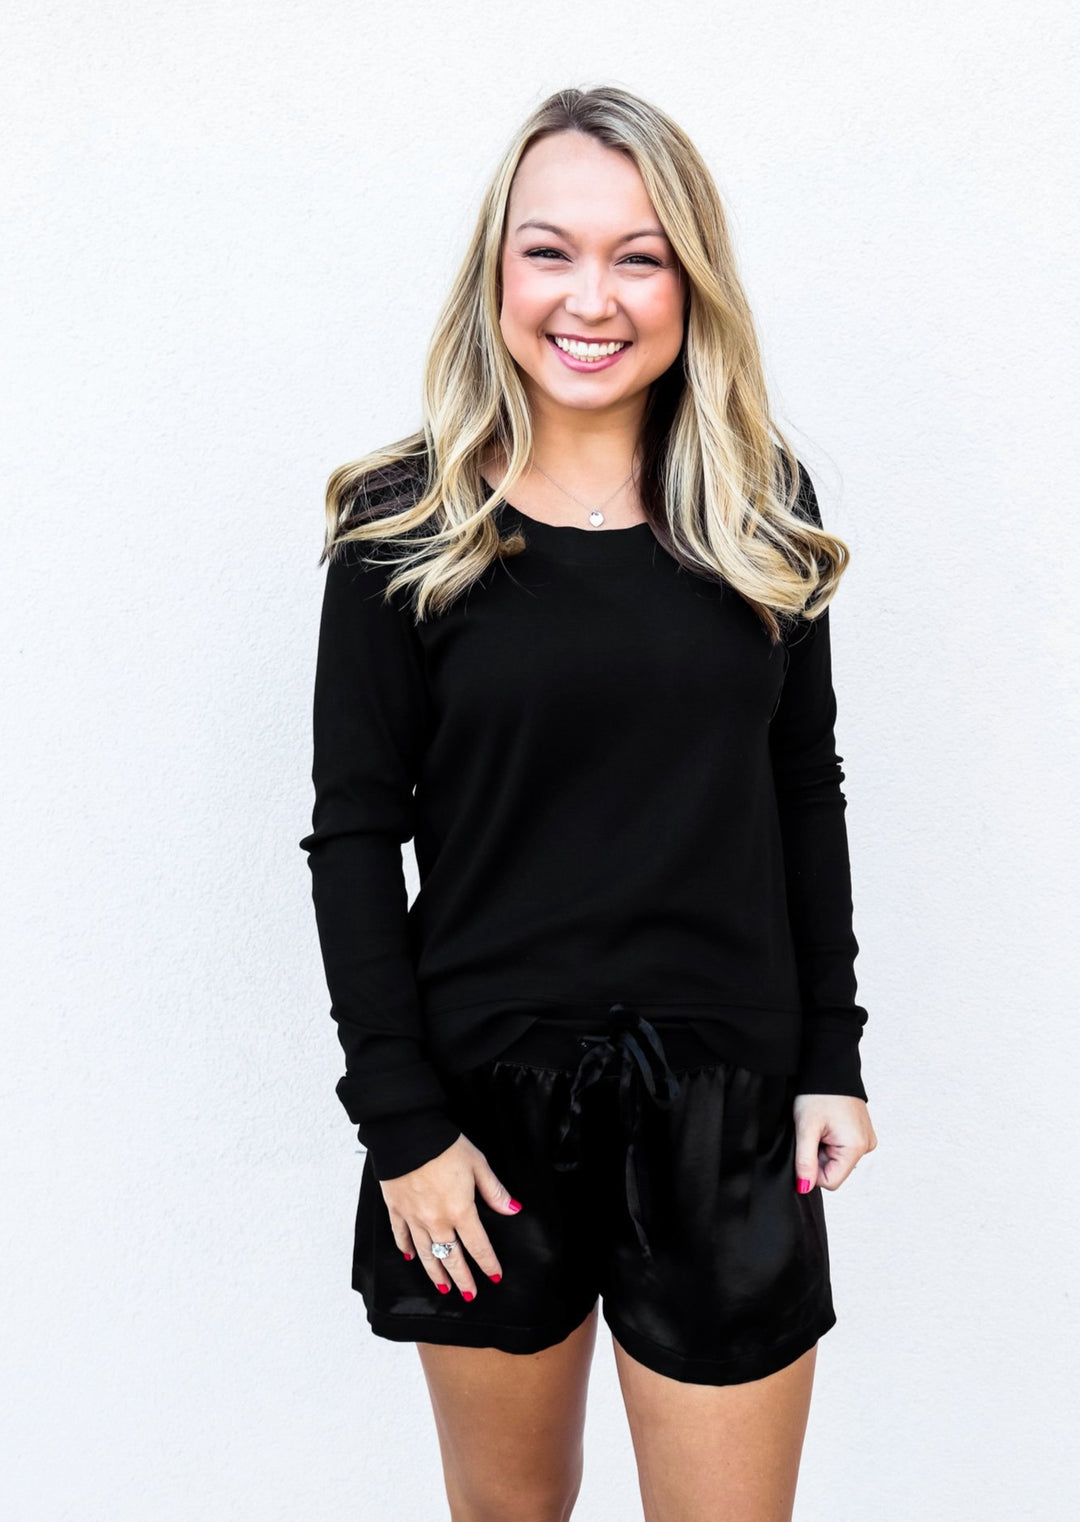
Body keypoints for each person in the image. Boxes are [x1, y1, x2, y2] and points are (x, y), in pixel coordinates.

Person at [299, 84, 878, 1522]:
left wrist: (833, 1051)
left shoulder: (757, 508)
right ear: (497, 273)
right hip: (480, 1123)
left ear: (691, 281)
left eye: (639, 256)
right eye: (550, 251)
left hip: (729, 1103)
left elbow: (802, 788)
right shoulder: (402, 527)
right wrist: (400, 1125)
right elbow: (355, 837)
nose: (592, 298)